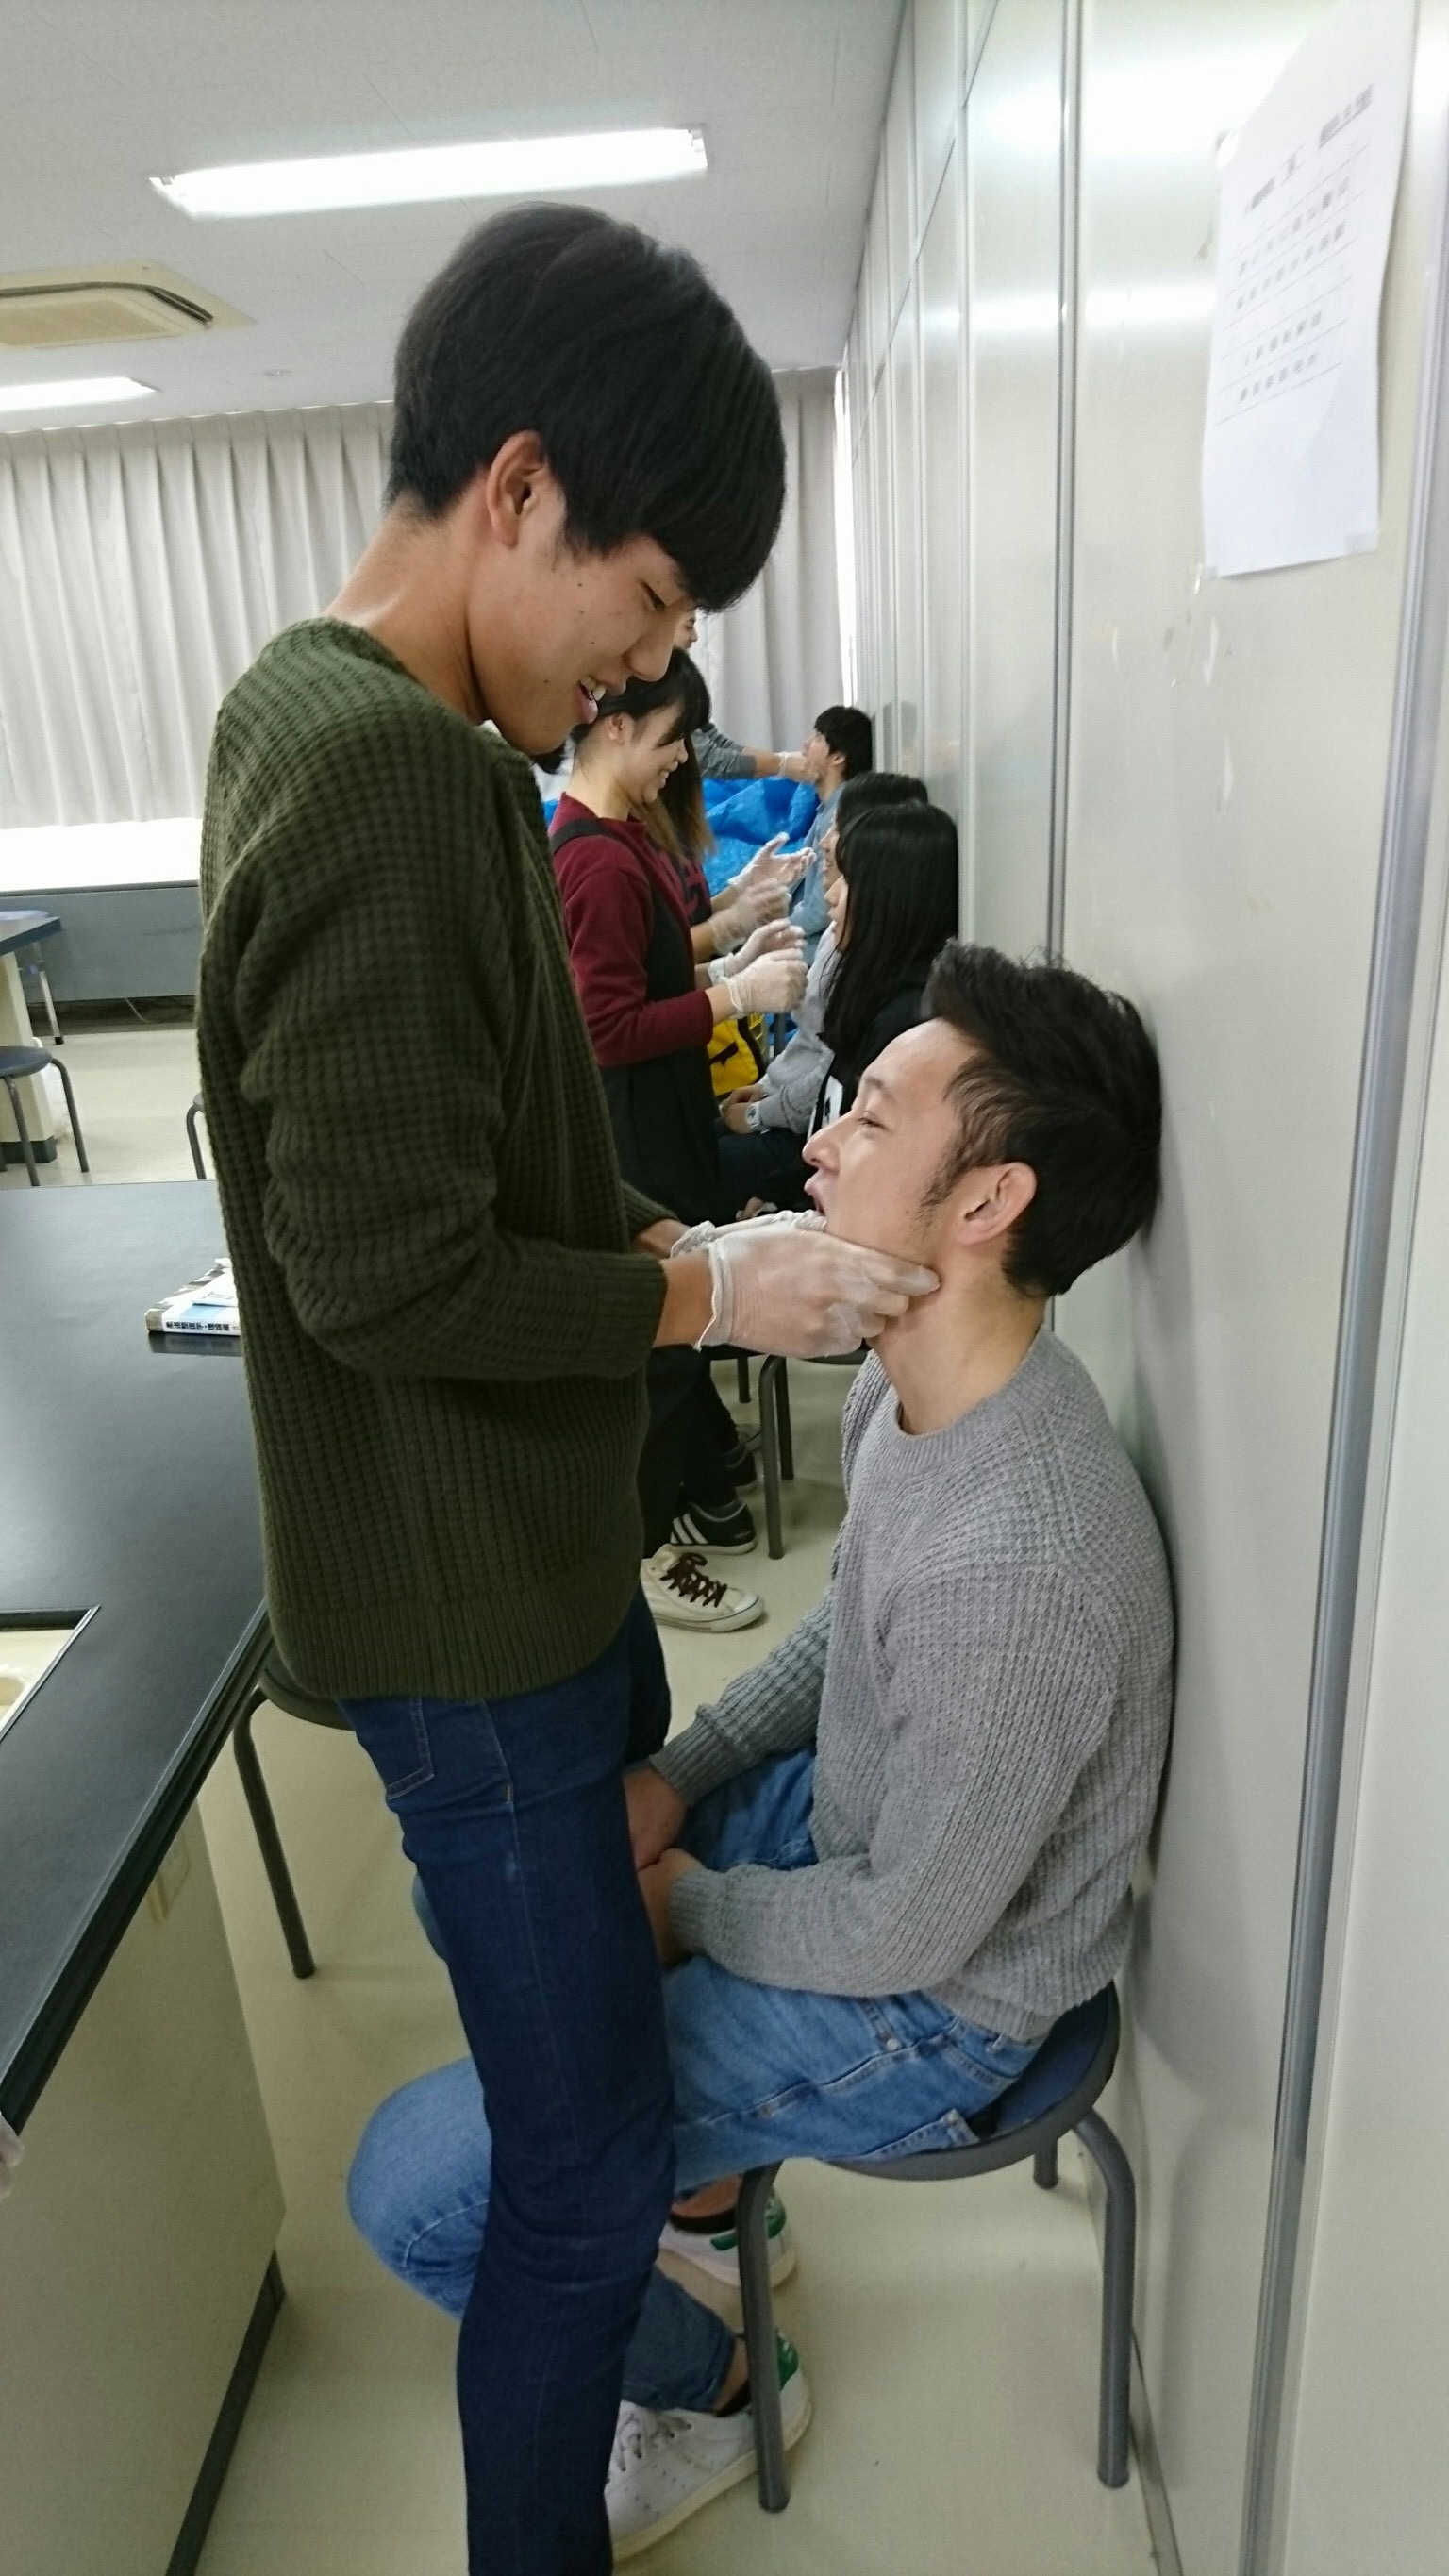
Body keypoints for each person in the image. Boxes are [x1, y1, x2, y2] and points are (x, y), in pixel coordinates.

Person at [196, 199, 938, 2576]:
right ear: (518, 491)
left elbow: (479, 1161)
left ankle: (684, 2351)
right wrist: (705, 1300)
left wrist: (680, 1248)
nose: (653, 662)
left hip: (512, 1564)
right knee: (580, 2166)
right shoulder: (398, 781)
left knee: (611, 2033)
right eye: (649, 597)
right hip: (469, 1614)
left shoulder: (315, 711)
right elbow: (387, 1271)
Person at [345, 940, 1174, 2561]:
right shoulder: (914, 1382)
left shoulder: (1023, 1560)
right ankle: (700, 2189)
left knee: (414, 2194)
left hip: (936, 2004)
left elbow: (910, 1930)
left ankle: (720, 2379)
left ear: (988, 1201)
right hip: (855, 1843)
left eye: (873, 1118)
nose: (820, 1140)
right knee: (482, 1887)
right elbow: (847, 1628)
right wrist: (681, 1774)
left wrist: (695, 1906)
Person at [551, 651, 806, 1597]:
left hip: (669, 1116)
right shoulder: (592, 861)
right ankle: (649, 1545)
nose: (680, 761)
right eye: (670, 740)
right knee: (663, 1333)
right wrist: (734, 994)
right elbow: (607, 1028)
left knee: (686, 1317)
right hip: (636, 1131)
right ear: (615, 727)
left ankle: (699, 1482)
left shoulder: (621, 838)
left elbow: (651, 977)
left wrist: (727, 962)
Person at [719, 769, 929, 1214]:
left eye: (839, 829)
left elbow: (830, 1104)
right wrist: (764, 1090)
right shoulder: (847, 940)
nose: (827, 841)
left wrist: (760, 1117)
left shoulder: (893, 1006)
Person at [811, 799, 960, 1130]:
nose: (831, 895)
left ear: (892, 897)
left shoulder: (905, 1021)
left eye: (848, 879)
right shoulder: (874, 986)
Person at [674, 605, 810, 781]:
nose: (695, 637)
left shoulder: (681, 681)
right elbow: (706, 758)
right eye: (688, 626)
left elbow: (714, 741)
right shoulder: (663, 685)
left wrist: (782, 760)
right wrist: (781, 764)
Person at [791, 704, 874, 958]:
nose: (806, 745)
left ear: (838, 757)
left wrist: (765, 929)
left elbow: (819, 912)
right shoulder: (828, 809)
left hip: (811, 951)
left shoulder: (840, 813)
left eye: (817, 738)